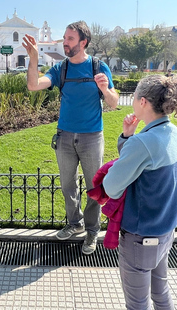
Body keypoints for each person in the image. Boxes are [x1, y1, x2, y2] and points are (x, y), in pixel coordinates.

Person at [22, 21, 119, 255]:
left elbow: (114, 103)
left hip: (91, 137)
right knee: (67, 186)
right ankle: (75, 223)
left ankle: (92, 230)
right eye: (64, 38)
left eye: (70, 39)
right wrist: (34, 58)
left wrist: (105, 89)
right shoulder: (60, 69)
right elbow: (34, 85)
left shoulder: (98, 66)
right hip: (64, 137)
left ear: (83, 42)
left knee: (94, 186)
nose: (65, 42)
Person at [101, 74, 177, 310]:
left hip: (141, 238)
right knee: (161, 293)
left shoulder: (143, 143)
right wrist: (128, 138)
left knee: (138, 309)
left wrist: (131, 142)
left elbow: (111, 186)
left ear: (142, 102)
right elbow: (139, 163)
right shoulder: (175, 134)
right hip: (164, 232)